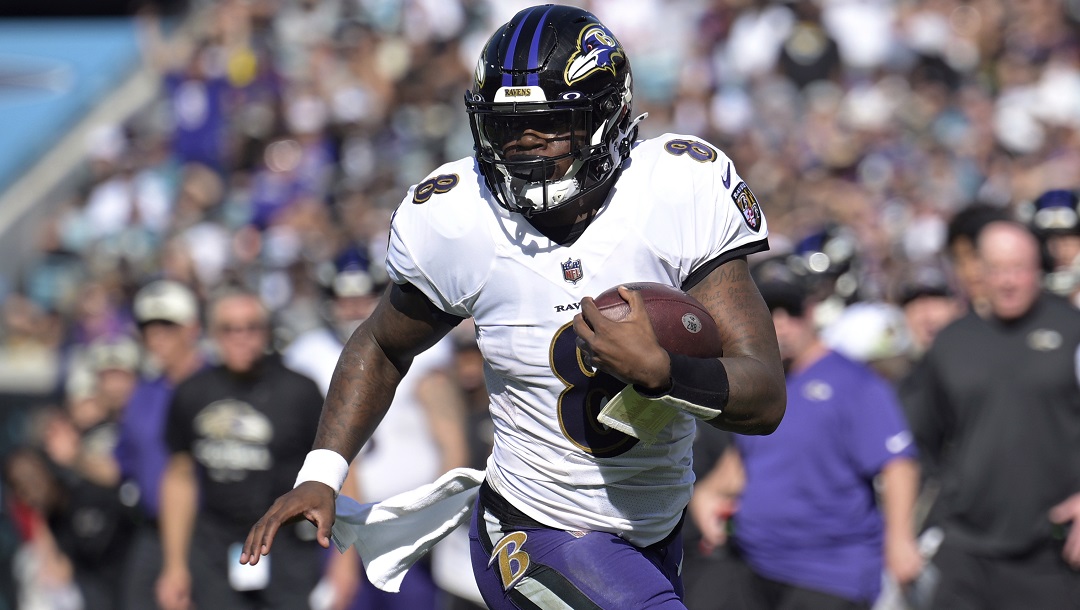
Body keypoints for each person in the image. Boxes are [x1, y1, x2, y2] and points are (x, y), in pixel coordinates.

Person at [242, 5, 786, 609]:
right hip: (535, 526)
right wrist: (322, 471)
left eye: (547, 124)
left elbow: (764, 396)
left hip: (655, 528)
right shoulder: (458, 219)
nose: (523, 146)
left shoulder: (680, 189)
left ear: (605, 117)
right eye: (506, 128)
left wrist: (665, 373)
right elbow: (382, 341)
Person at [688, 269, 922, 609]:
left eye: (791, 311)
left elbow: (898, 464)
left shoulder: (854, 382)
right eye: (771, 312)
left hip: (829, 573)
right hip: (756, 566)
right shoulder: (767, 386)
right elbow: (748, 459)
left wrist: (900, 541)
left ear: (811, 312)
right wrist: (708, 493)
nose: (781, 323)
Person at [902, 220, 1080, 609]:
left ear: (1040, 267)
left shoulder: (1072, 331)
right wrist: (901, 536)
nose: (1008, 281)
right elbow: (917, 445)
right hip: (966, 548)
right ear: (978, 271)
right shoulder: (952, 343)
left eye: (1019, 268)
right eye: (997, 269)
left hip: (1053, 551)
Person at [156, 288, 325, 610]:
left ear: (267, 331)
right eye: (229, 329)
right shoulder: (192, 392)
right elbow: (179, 478)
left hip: (285, 544)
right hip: (215, 547)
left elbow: (340, 469)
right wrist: (174, 566)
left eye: (251, 327)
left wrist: (343, 566)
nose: (241, 337)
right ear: (212, 334)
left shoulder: (299, 391)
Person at [113, 279, 205, 610]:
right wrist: (75, 456)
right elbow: (123, 463)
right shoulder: (143, 392)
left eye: (167, 325)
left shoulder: (215, 385)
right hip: (152, 531)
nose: (156, 335)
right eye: (149, 327)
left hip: (207, 535)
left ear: (191, 328)